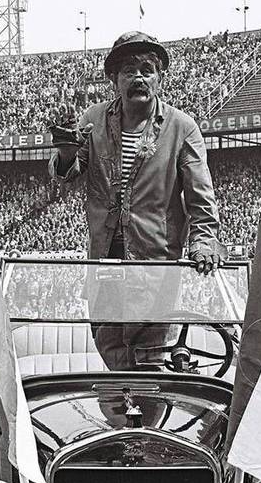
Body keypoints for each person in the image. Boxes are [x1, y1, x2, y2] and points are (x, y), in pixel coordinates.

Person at [48, 31, 226, 370]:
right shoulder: (93, 120)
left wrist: (203, 240)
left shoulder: (181, 128)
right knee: (114, 363)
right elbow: (67, 173)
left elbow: (202, 196)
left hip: (155, 270)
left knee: (153, 369)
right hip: (104, 268)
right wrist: (67, 151)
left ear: (159, 77)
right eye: (129, 70)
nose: (139, 77)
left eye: (147, 69)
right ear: (114, 78)